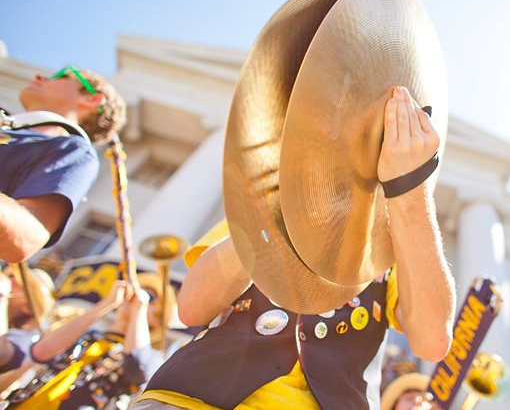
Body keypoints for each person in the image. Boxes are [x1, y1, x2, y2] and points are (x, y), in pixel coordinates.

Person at [130, 86, 456, 410]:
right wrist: (286, 215)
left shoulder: (398, 244)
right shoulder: (262, 206)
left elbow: (432, 341)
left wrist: (411, 190)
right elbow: (193, 306)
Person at [0, 65, 126, 263]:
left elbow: (27, 236)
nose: (40, 76)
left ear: (92, 98)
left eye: (61, 75)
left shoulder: (73, 150)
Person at [2, 274, 167, 409]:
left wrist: (140, 308)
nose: (135, 298)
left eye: (151, 297)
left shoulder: (154, 357)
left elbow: (138, 367)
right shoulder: (87, 335)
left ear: (157, 321)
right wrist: (106, 304)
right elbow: (41, 351)